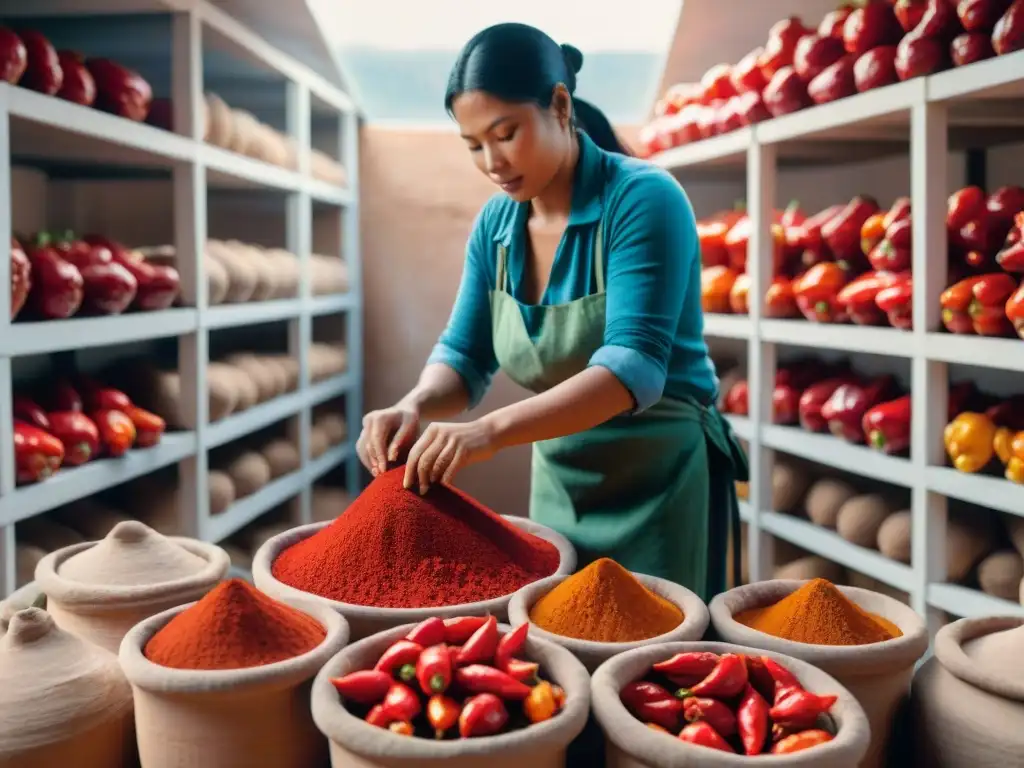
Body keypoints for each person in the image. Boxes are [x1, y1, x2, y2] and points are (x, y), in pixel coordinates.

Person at [355, 22, 747, 600]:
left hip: (660, 481)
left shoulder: (643, 199)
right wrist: (412, 405)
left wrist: (486, 433)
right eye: (472, 145)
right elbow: (464, 357)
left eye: (505, 133)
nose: (491, 161)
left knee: (656, 673)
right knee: (559, 657)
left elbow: (631, 368)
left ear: (560, 105)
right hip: (561, 486)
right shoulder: (496, 226)